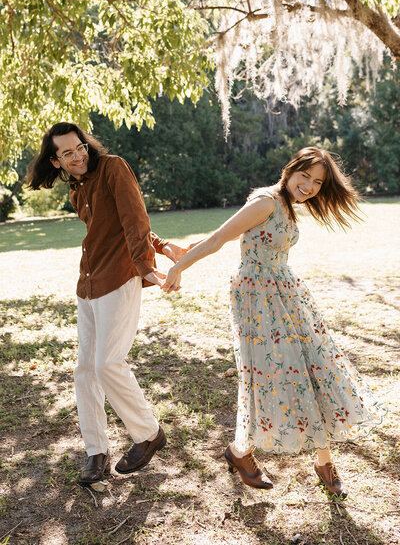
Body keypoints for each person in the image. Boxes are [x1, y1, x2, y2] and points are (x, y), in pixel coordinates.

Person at [162, 147, 386, 497]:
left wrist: (184, 248)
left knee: (311, 368)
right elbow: (221, 237)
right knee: (268, 374)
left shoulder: (286, 205)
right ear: (290, 169)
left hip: (287, 293)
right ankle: (241, 451)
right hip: (256, 298)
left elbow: (242, 234)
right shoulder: (267, 201)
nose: (310, 186)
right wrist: (179, 266)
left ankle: (322, 459)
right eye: (305, 176)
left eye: (317, 182)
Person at [27, 122, 183, 485]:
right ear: (56, 161)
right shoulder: (76, 190)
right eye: (67, 153)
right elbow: (112, 224)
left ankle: (149, 434)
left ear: (86, 144)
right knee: (84, 370)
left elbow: (133, 217)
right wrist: (159, 244)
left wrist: (148, 265)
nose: (77, 155)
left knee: (108, 363)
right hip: (88, 283)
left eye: (79, 146)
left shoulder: (113, 166)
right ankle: (96, 451)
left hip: (120, 277)